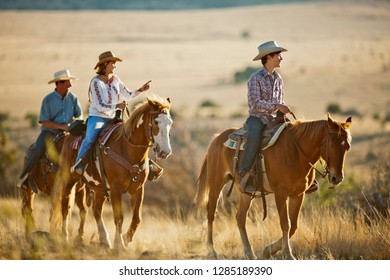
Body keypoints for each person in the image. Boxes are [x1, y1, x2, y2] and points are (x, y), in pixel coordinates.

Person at [70, 51, 151, 175]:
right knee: (90, 137)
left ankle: (145, 164)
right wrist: (117, 105)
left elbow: (128, 94)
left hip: (114, 117)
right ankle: (78, 163)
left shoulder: (116, 79)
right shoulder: (96, 83)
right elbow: (100, 106)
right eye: (113, 63)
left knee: (131, 133)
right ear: (105, 64)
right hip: (97, 117)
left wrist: (140, 90)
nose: (115, 66)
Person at [17, 69, 83, 189]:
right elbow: (44, 121)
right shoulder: (48, 100)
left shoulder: (73, 98)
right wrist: (61, 126)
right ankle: (25, 178)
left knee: (83, 146)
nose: (70, 85)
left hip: (69, 132)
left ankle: (86, 180)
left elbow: (79, 115)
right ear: (59, 84)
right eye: (68, 82)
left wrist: (73, 123)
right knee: (37, 150)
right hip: (49, 132)